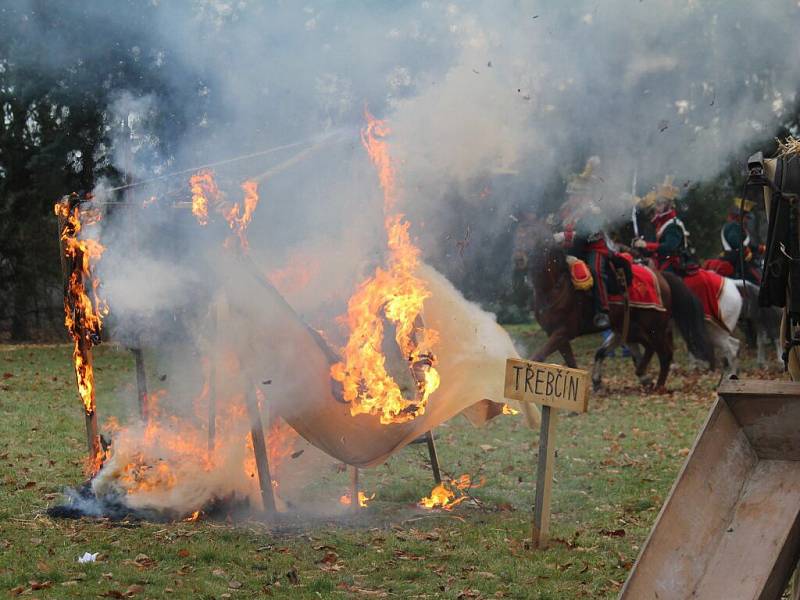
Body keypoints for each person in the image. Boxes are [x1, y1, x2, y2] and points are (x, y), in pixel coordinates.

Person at [554, 157, 611, 328]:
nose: (571, 198)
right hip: (574, 250)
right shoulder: (566, 210)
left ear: (584, 196)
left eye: (575, 195)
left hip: (594, 248)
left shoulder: (593, 211)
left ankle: (603, 311)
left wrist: (564, 236)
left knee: (595, 271)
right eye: (570, 195)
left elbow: (588, 235)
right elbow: (558, 226)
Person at [633, 177, 689, 273]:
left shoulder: (673, 225)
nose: (656, 207)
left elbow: (669, 247)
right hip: (659, 261)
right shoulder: (658, 221)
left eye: (660, 203)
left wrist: (646, 245)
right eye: (656, 203)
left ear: (668, 205)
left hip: (673, 265)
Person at [720, 198, 763, 283]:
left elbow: (745, 245)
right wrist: (746, 251)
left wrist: (759, 248)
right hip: (736, 263)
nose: (747, 220)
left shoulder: (739, 227)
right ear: (739, 216)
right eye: (746, 217)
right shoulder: (733, 226)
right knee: (757, 280)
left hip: (742, 260)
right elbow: (735, 242)